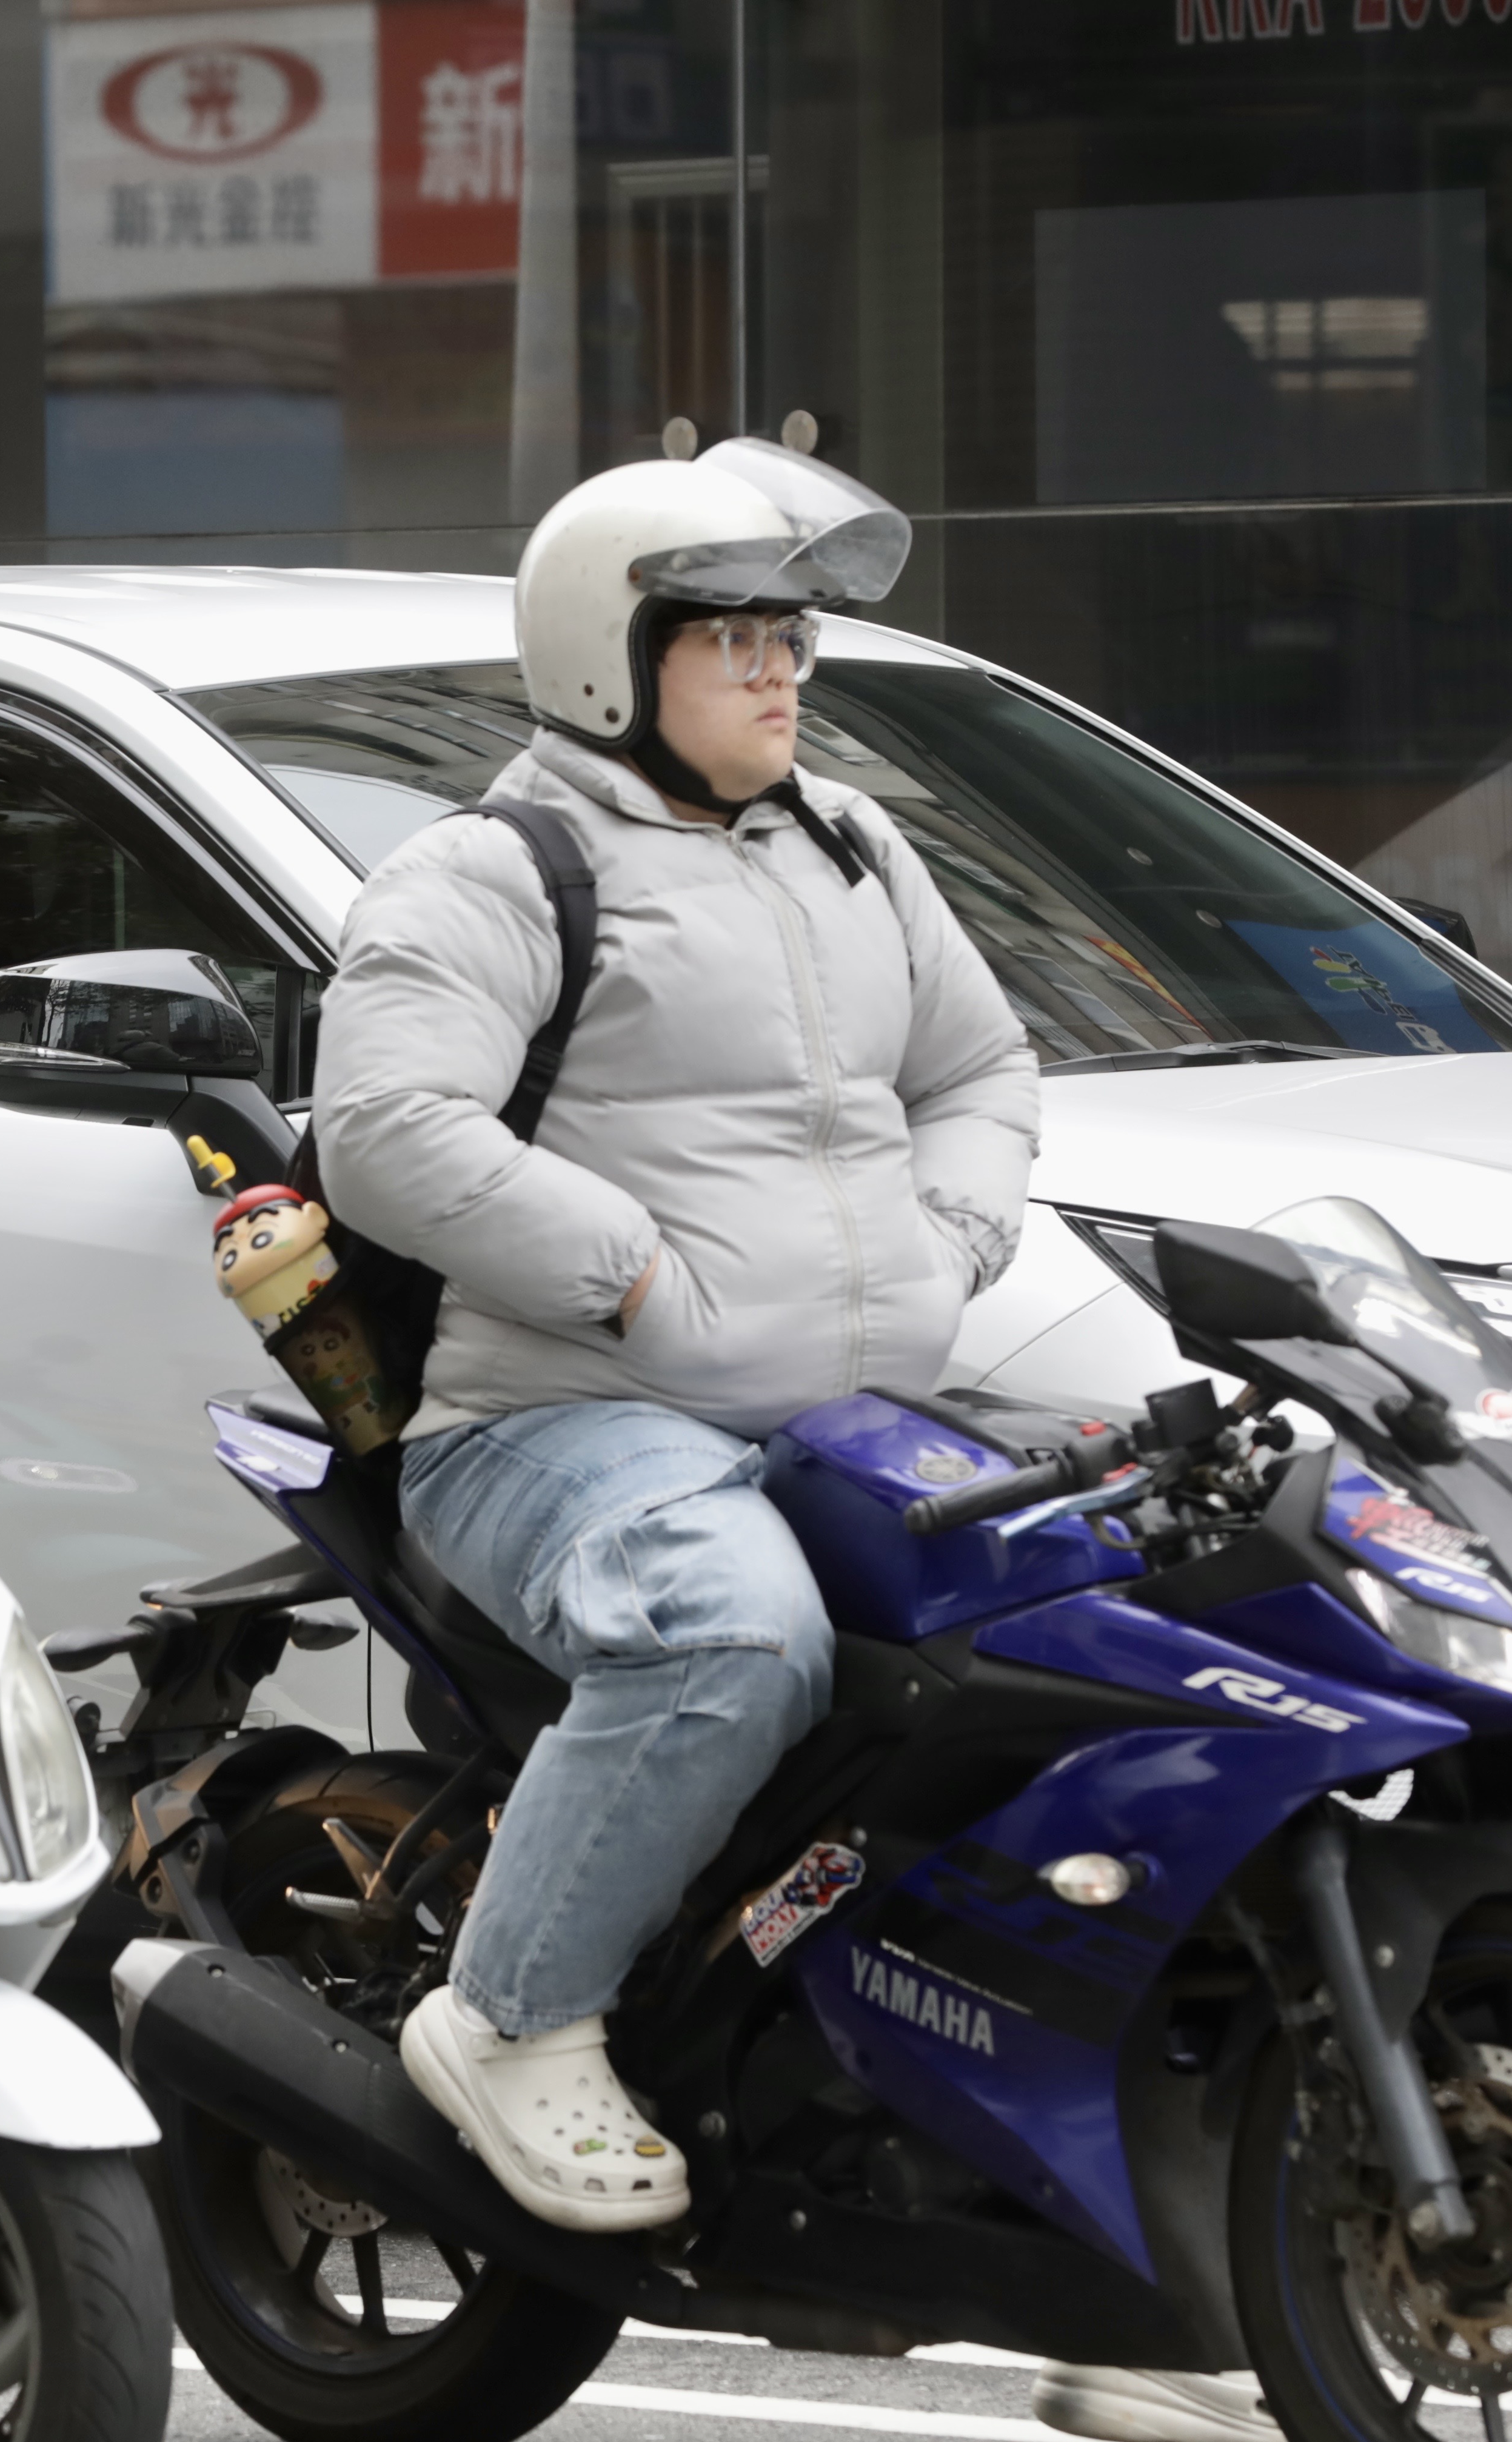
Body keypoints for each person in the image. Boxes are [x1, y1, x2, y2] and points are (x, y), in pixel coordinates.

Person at [313, 440, 1039, 2230]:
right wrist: (636, 1280)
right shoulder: (495, 871)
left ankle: (1088, 2203)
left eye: (793, 634)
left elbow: (983, 1070)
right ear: (610, 660)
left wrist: (951, 1242)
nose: (784, 668)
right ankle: (512, 2017)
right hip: (561, 1416)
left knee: (1085, 1658)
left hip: (861, 1410)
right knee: (731, 1633)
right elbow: (389, 1135)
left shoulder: (855, 851)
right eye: (736, 637)